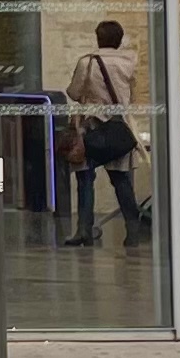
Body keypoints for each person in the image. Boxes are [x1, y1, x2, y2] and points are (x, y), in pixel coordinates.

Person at [65, 21, 143, 248]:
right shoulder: (129, 63)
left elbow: (74, 92)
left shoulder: (87, 62)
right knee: (121, 181)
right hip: (119, 127)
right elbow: (132, 95)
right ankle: (133, 230)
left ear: (98, 38)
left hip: (92, 127)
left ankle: (83, 230)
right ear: (119, 40)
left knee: (85, 178)